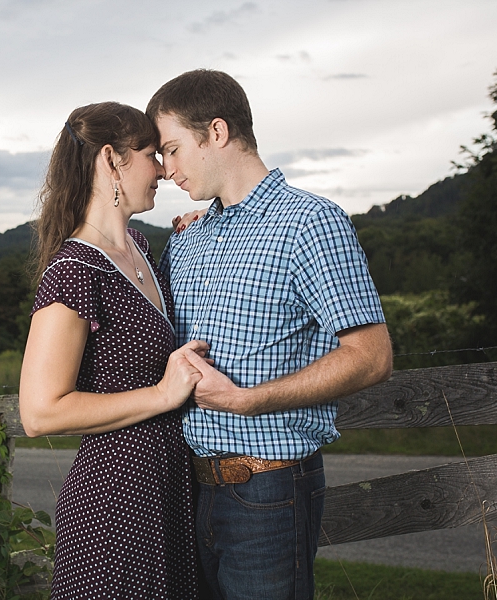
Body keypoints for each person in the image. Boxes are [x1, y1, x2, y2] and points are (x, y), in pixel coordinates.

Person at [147, 70, 394, 600]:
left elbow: (371, 357)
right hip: (186, 491)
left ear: (216, 132)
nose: (166, 171)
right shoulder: (188, 240)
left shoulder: (310, 222)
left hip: (269, 491)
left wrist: (247, 400)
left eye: (171, 150)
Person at [19, 101, 208, 599]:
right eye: (151, 154)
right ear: (111, 159)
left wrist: (196, 241)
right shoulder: (75, 272)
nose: (164, 172)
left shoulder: (141, 250)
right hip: (115, 506)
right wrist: (162, 395)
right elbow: (39, 412)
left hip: (166, 490)